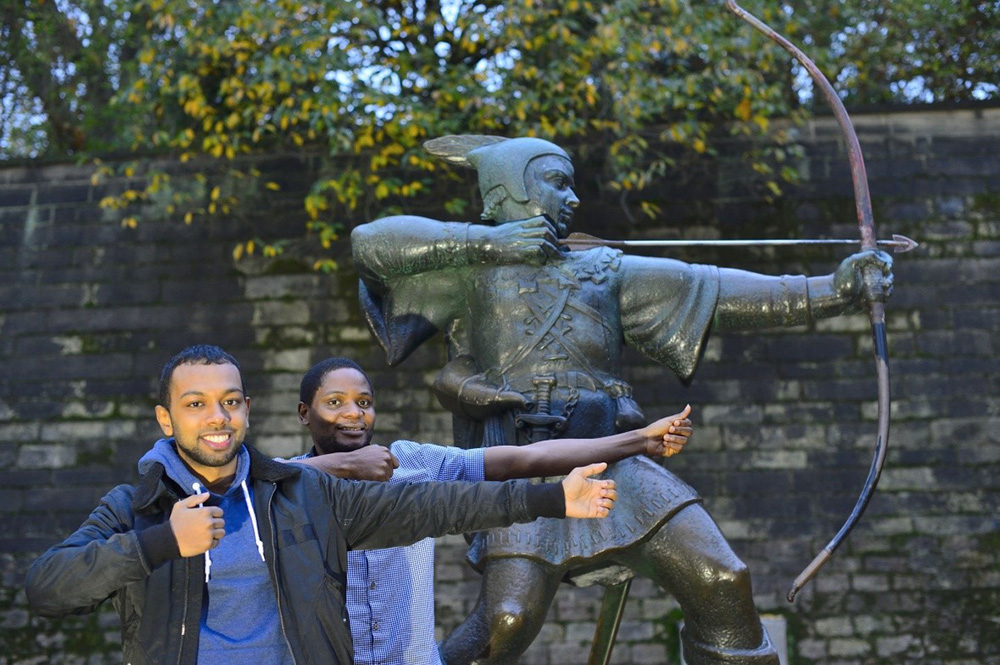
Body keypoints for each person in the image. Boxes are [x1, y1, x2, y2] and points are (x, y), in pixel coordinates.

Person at [350, 135, 895, 665]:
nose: (574, 198)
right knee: (505, 624)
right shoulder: (469, 268)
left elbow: (716, 291)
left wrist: (834, 290)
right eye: (557, 183)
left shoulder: (603, 270)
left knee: (721, 578)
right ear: (508, 193)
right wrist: (490, 243)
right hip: (524, 471)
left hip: (617, 461)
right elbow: (369, 243)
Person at [23, 345, 620, 665]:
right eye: (196, 404)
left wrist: (553, 497)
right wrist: (160, 543)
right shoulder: (135, 507)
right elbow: (48, 588)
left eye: (229, 402)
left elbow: (434, 506)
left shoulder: (300, 495)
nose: (217, 419)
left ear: (247, 410)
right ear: (166, 418)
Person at [289, 356, 693, 665]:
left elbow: (527, 458)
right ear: (306, 413)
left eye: (364, 402)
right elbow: (238, 476)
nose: (354, 413)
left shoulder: (414, 463)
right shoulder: (278, 488)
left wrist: (639, 440)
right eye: (335, 402)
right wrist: (343, 466)